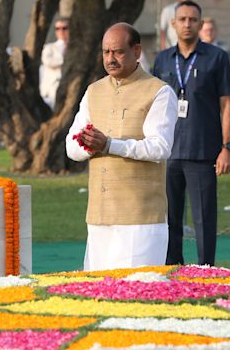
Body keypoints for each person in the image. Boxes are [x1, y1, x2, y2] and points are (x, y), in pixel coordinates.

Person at [66, 22, 178, 271]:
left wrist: (109, 145)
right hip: (99, 214)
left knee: (137, 294)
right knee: (99, 292)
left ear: (136, 52)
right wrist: (91, 146)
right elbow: (71, 147)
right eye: (106, 52)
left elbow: (160, 147)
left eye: (117, 52)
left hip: (140, 217)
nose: (110, 59)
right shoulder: (94, 91)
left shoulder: (158, 92)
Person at [153, 1, 230, 266]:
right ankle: (172, 268)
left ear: (201, 24)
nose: (187, 24)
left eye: (193, 19)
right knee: (169, 217)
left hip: (203, 150)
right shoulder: (163, 59)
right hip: (168, 151)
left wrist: (227, 147)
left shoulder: (216, 57)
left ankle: (206, 269)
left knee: (204, 218)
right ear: (173, 24)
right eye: (183, 19)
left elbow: (227, 104)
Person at [199, 16, 230, 136]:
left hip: (222, 86)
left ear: (216, 31)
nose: (209, 33)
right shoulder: (195, 50)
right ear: (200, 32)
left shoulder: (226, 48)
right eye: (206, 30)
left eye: (211, 30)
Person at [39, 17, 69, 109]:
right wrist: (65, 60)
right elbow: (47, 61)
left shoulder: (75, 47)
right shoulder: (50, 47)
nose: (61, 31)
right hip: (53, 85)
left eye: (64, 28)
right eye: (58, 28)